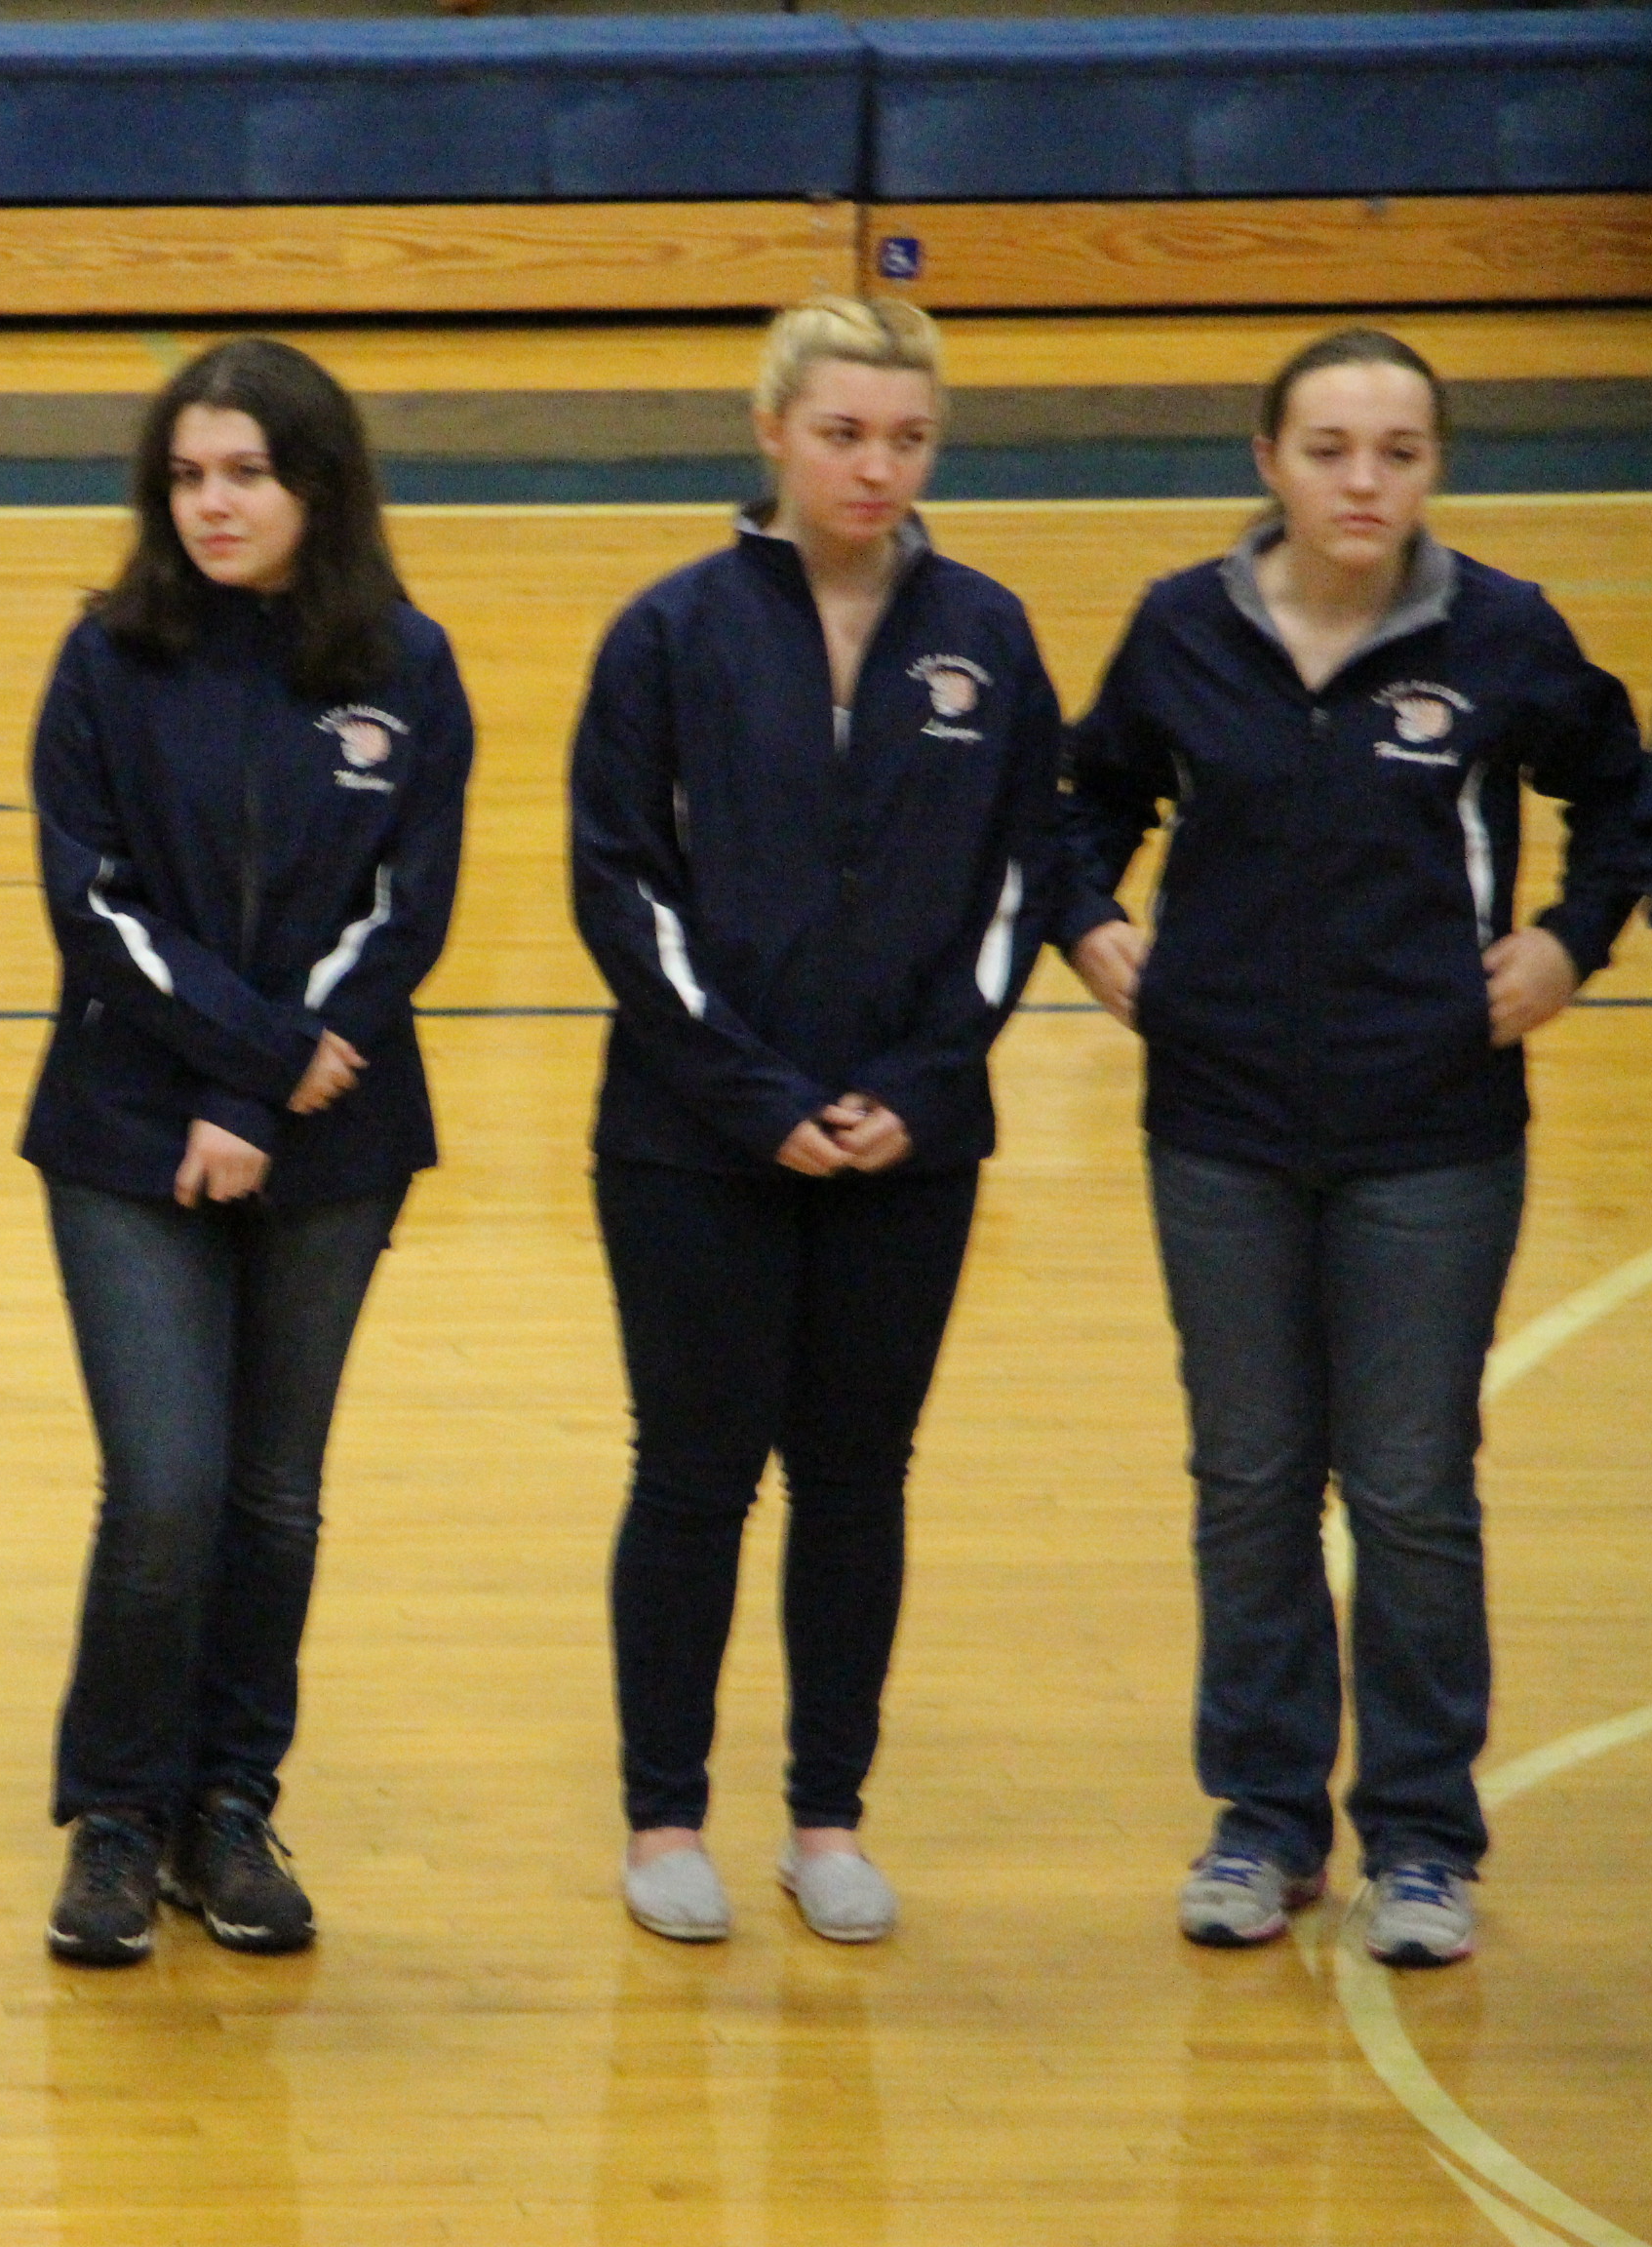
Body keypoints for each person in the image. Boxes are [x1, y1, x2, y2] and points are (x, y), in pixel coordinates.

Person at [1054, 329, 1650, 1968]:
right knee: (1248, 1484)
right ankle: (1260, 1819)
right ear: (1270, 461)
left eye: (1399, 451)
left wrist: (1570, 941)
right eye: (1330, 450)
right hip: (1221, 1129)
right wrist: (1091, 926)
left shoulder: (1504, 635)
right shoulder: (1183, 629)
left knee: (1408, 1490)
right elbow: (1085, 800)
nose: (1364, 482)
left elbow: (1624, 796)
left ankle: (1424, 1836)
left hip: (1433, 1136)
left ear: (1436, 467)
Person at [569, 296, 1062, 1947]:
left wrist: (920, 1089)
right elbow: (619, 886)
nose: (876, 467)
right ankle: (664, 1820)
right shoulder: (668, 634)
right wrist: (755, 1097)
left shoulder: (985, 635)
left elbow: (1023, 880)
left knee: (857, 1478)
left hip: (909, 1149)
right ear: (773, 430)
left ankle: (827, 1817)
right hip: (691, 1141)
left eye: (908, 439)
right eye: (844, 433)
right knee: (693, 1472)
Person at [26, 337, 471, 1967]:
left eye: (246, 476)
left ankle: (228, 1805)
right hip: (129, 1127)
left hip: (337, 1140)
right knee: (167, 1487)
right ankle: (115, 1814)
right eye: (187, 477)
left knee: (275, 1501)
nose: (211, 506)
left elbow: (406, 908)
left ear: (318, 488)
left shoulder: (407, 665)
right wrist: (255, 1064)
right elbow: (95, 910)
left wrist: (275, 1094)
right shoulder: (105, 660)